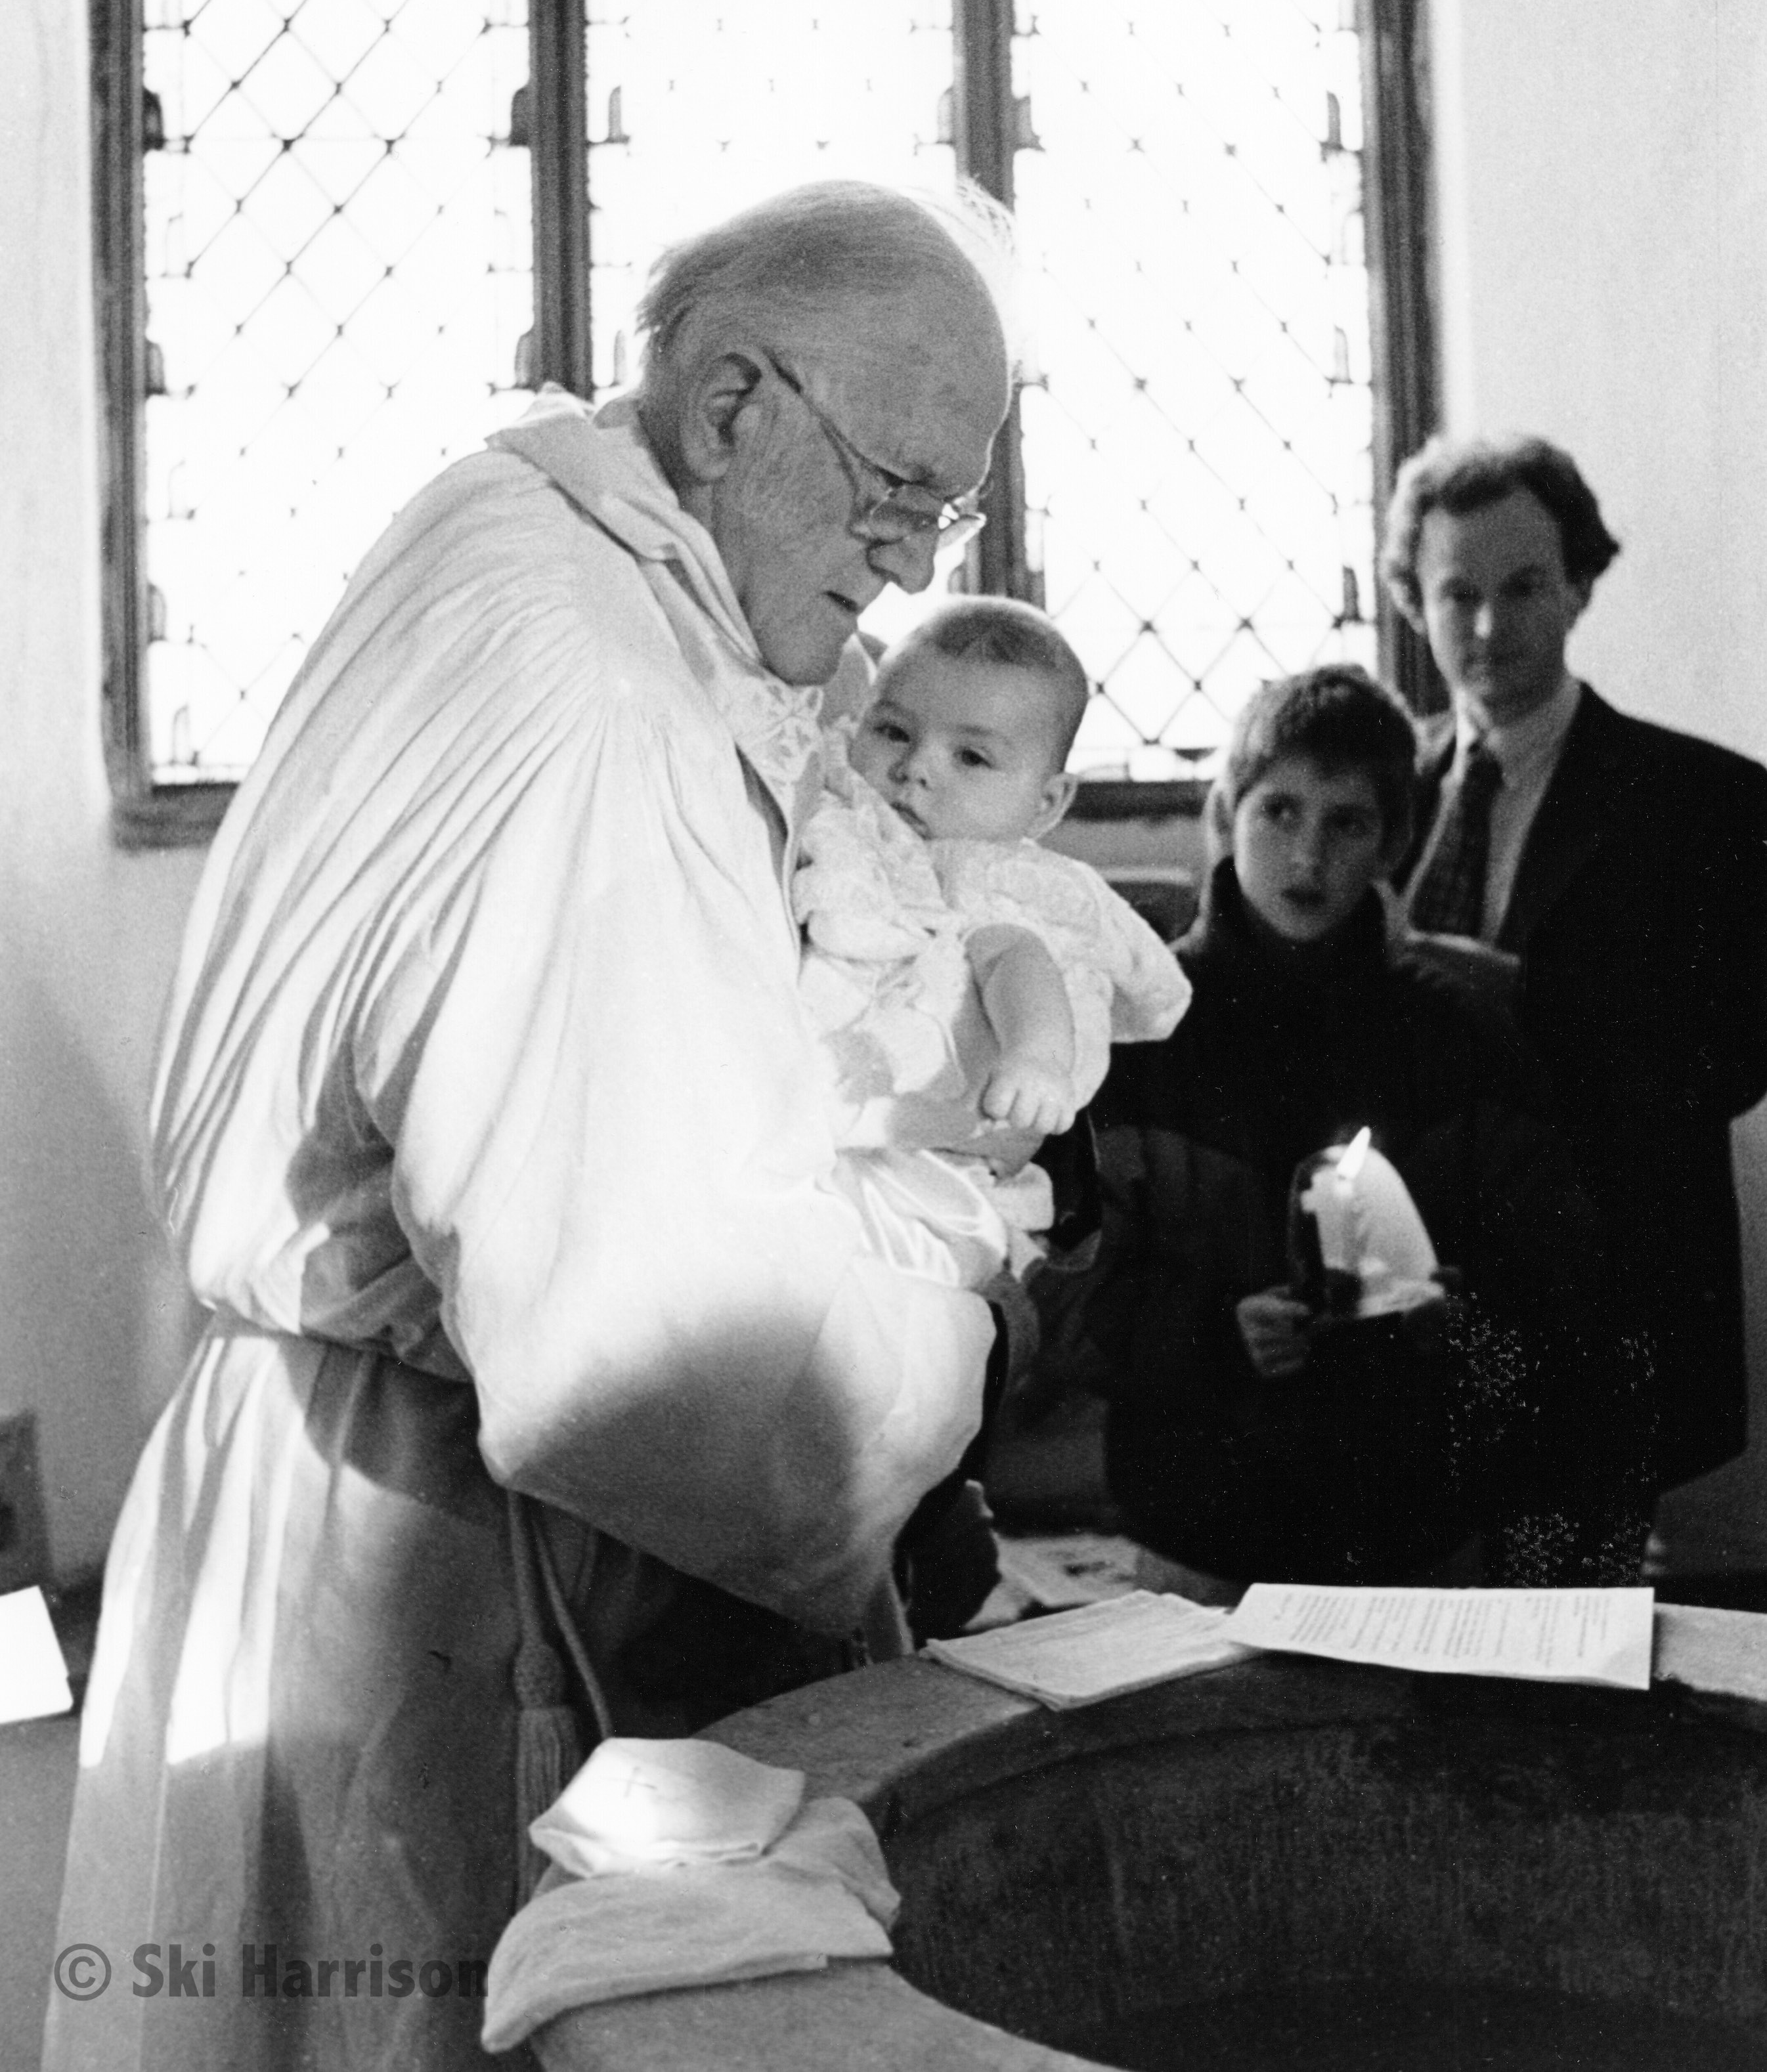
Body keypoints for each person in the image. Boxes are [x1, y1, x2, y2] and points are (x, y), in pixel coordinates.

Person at [45, 182, 1020, 2072]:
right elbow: (649, 1342)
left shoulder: (514, 533)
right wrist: (969, 1317)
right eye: (896, 487)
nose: (907, 565)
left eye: (945, 513)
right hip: (419, 1542)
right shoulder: (589, 679)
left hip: (354, 1471)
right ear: (734, 403)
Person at [1087, 668, 1603, 1599]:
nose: (1307, 855)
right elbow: (1082, 1285)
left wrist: (1458, 1315)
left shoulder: (1458, 1037)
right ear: (1225, 815)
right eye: (1278, 812)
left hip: (1409, 1524)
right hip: (1202, 1529)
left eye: (1346, 822)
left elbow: (1555, 1273)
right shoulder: (1143, 1033)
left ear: (1392, 840)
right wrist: (1217, 1332)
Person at [1384, 433, 1767, 1543]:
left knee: (1571, 1666)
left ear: (1582, 585)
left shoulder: (1709, 805)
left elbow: (1732, 1061)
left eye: (1525, 587)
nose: (1490, 628)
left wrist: (1508, 992)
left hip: (1606, 1311)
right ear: (1413, 602)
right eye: (1458, 593)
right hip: (1405, 1321)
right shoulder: (1373, 797)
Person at [795, 597, 1190, 1293]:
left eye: (971, 757)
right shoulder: (845, 810)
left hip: (933, 1156)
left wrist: (1036, 1056)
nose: (916, 768)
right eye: (893, 731)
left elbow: (1016, 959)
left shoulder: (987, 874)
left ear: (1046, 804)